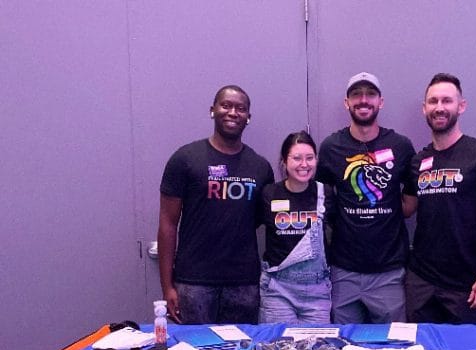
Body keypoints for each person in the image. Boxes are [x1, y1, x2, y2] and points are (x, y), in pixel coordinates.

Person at [157, 85, 274, 324]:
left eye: (240, 108)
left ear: (248, 117)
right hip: (193, 283)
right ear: (213, 110)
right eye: (226, 105)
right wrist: (167, 285)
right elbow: (168, 224)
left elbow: (260, 222)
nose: (233, 112)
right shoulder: (185, 159)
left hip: (244, 284)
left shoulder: (261, 167)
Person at [404, 73, 476, 324]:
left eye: (447, 101)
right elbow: (406, 208)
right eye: (433, 101)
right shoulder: (418, 161)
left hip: (467, 285)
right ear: (424, 109)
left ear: (461, 106)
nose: (439, 107)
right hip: (421, 283)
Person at [316, 72, 415, 324]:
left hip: (389, 272)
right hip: (343, 271)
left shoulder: (400, 146)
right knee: (344, 349)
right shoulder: (331, 147)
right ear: (346, 102)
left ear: (380, 102)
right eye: (356, 94)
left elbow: (411, 201)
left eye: (370, 94)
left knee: (391, 348)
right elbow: (321, 199)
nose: (363, 100)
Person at [259, 131, 333, 324]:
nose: (304, 164)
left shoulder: (325, 192)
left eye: (310, 158)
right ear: (284, 161)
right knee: (278, 349)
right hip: (278, 289)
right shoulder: (269, 193)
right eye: (297, 158)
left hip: (317, 289)